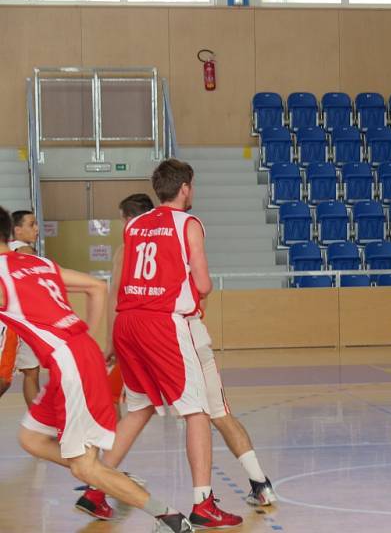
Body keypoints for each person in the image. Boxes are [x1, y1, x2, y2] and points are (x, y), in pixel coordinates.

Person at [0, 205, 192, 533]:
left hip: (70, 363)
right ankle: (112, 477)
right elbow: (96, 287)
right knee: (31, 438)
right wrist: (82, 335)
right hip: (76, 354)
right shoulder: (38, 262)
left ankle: (170, 518)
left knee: (84, 468)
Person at [87, 192, 275, 517]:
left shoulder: (132, 236)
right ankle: (228, 495)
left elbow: (118, 290)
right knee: (208, 411)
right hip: (176, 329)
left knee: (139, 409)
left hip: (132, 326)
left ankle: (95, 484)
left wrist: (112, 341)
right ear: (184, 189)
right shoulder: (182, 229)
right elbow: (202, 288)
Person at [0, 210, 42, 406]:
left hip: (22, 321)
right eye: (31, 224)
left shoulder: (11, 250)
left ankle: (38, 421)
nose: (37, 229)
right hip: (14, 321)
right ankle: (39, 422)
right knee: (5, 378)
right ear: (16, 230)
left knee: (31, 372)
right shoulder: (24, 252)